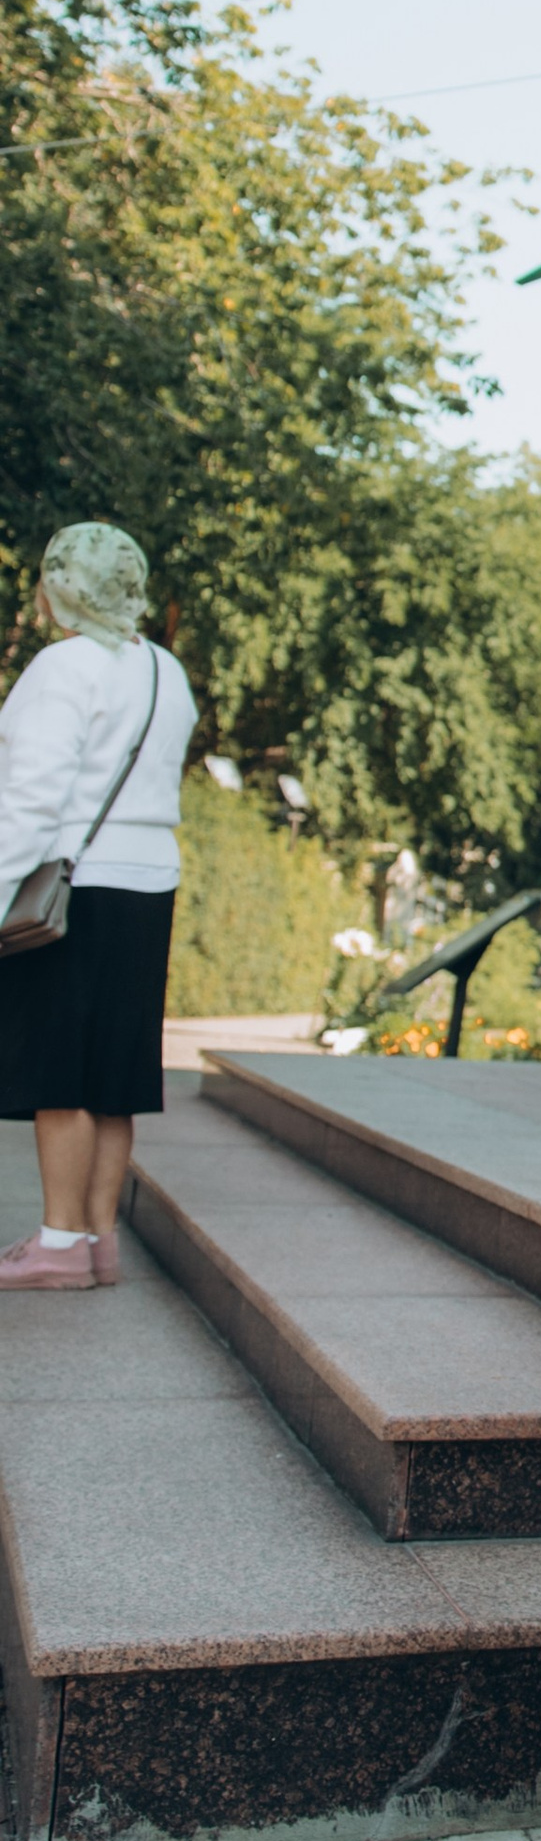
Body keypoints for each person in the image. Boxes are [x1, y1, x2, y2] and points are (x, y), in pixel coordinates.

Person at [0, 524, 197, 1289]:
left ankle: (55, 1244)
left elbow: (31, 801)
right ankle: (97, 1240)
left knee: (60, 1070)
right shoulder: (164, 671)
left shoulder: (65, 666)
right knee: (115, 1072)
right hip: (151, 883)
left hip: (75, 887)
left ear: (66, 587)